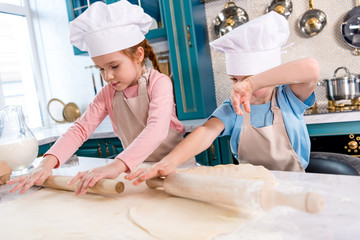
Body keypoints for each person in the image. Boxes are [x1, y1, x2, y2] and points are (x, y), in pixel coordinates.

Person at [7, 0, 194, 195]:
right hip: (138, 172)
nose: (107, 76)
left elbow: (156, 129)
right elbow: (80, 129)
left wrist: (117, 165)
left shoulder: (159, 82)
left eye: (114, 66)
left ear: (138, 55)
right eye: (101, 69)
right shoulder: (107, 94)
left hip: (177, 170)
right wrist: (47, 163)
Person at [126, 11, 320, 185]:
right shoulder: (233, 107)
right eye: (235, 79)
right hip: (251, 186)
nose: (239, 87)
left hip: (296, 184)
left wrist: (252, 84)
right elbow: (206, 132)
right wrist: (169, 161)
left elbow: (311, 68)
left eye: (248, 79)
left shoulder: (289, 98)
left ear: (269, 75)